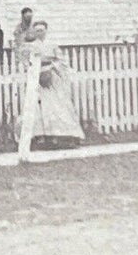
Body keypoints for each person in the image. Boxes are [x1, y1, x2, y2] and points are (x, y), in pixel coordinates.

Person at [17, 20, 86, 157]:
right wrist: (37, 72)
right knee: (39, 107)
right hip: (37, 79)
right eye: (37, 30)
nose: (40, 33)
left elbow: (61, 61)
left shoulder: (52, 45)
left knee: (58, 105)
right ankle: (42, 137)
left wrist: (52, 69)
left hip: (52, 79)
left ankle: (64, 137)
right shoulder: (30, 46)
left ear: (46, 31)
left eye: (42, 30)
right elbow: (25, 62)